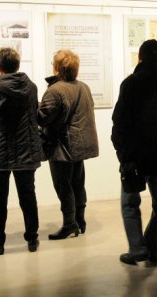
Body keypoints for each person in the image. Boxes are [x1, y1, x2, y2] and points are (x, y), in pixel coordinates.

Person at [111, 39, 157, 266]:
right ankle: (153, 251)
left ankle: (137, 247)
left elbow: (119, 121)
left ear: (139, 57)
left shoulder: (130, 84)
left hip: (134, 155)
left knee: (130, 203)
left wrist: (123, 153)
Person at [0, 47, 43, 255]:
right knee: (28, 195)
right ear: (18, 64)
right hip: (26, 148)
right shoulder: (31, 87)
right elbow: (34, 113)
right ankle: (32, 239)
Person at [38, 49, 99, 239]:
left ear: (57, 69)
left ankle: (69, 224)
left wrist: (32, 107)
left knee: (63, 185)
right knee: (77, 183)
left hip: (63, 146)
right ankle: (80, 220)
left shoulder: (55, 90)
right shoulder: (84, 87)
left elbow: (43, 118)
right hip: (80, 145)